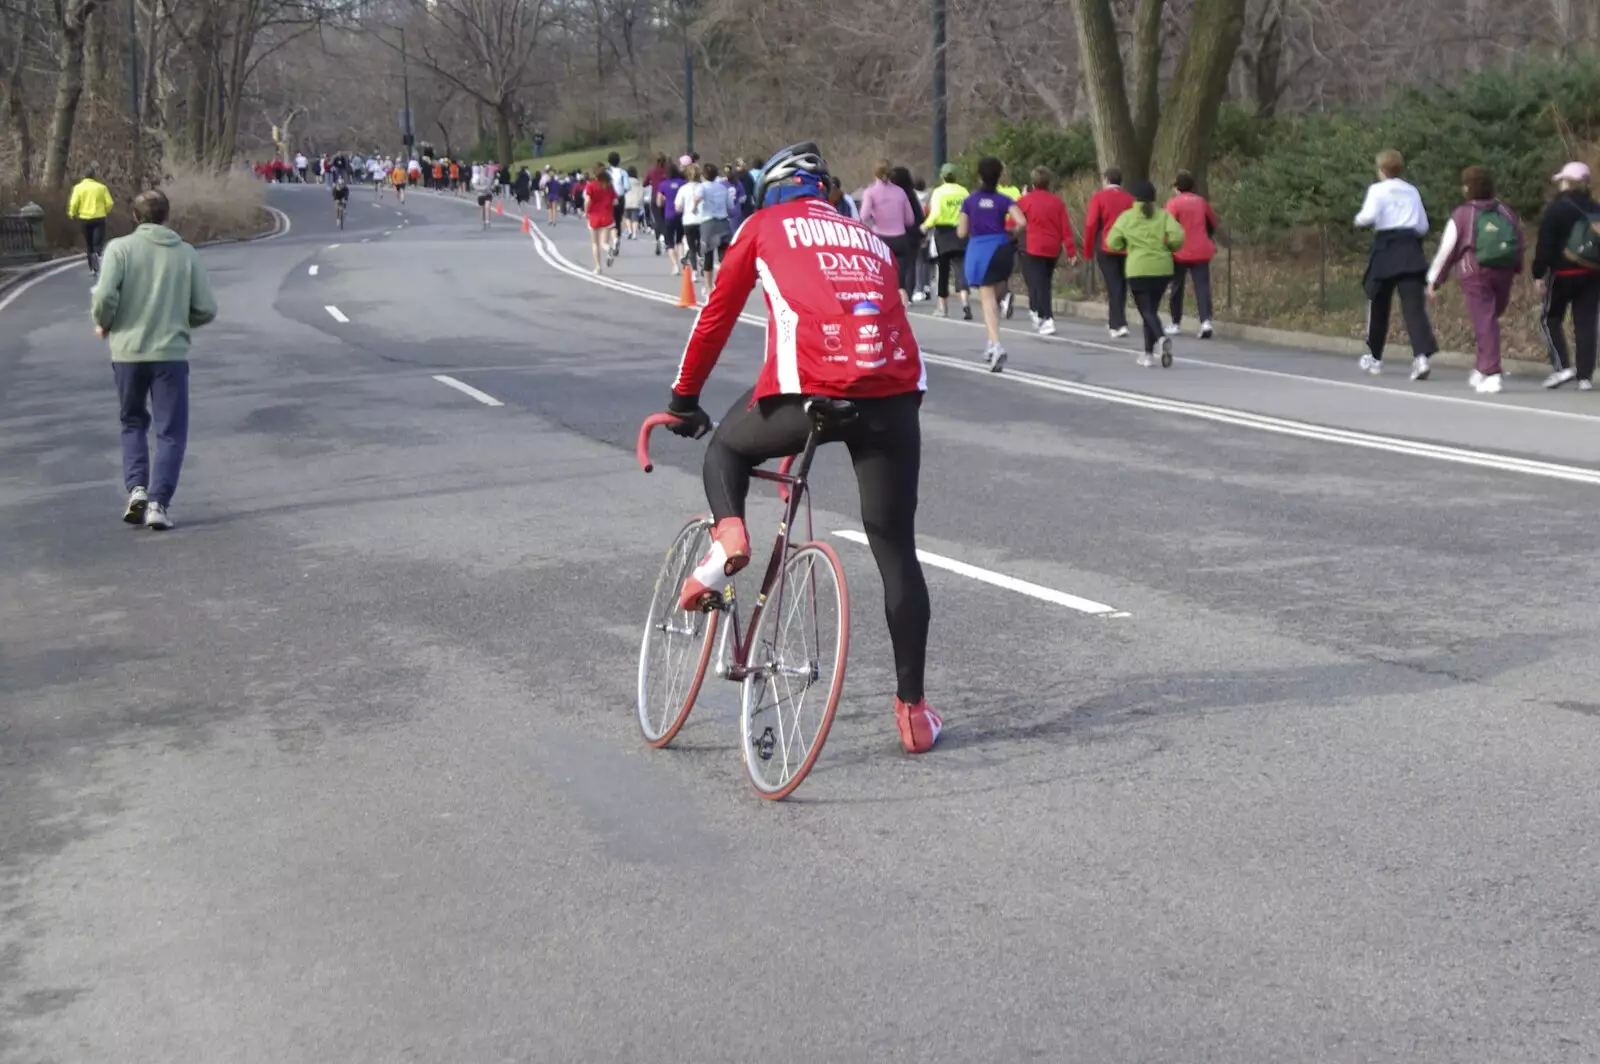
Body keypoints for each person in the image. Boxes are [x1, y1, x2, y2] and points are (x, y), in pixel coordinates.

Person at [659, 141, 941, 755]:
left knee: (726, 454)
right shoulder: (866, 235)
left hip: (807, 388)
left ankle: (729, 539)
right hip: (893, 395)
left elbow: (715, 319)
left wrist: (684, 399)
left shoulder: (762, 227)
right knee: (897, 552)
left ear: (771, 193)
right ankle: (915, 713)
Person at [90, 189, 217, 532]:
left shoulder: (119, 249)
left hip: (127, 353)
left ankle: (137, 490)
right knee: (171, 431)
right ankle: (159, 503)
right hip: (170, 355)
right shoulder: (186, 254)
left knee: (132, 421)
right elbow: (206, 308)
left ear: (135, 217)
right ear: (167, 216)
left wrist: (106, 321)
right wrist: (176, 320)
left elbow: (103, 296)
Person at [1426, 165, 1525, 395]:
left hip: (1475, 272)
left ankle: (1491, 372)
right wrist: (1516, 267)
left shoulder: (1462, 214)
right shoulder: (1506, 212)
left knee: (1484, 320)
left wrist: (1434, 279)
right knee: (1489, 319)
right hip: (1504, 271)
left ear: (1466, 187)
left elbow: (1447, 249)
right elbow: (1519, 241)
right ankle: (1482, 368)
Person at [1354, 149, 1437, 381]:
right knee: (1413, 308)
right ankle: (1421, 358)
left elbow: (1366, 217)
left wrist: (1358, 220)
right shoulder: (1412, 191)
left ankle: (1376, 357)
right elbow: (1422, 225)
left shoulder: (1377, 190)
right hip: (1410, 249)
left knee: (1379, 303)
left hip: (1386, 249)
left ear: (1381, 169)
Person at [1530, 161, 1600, 390]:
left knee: (1549, 318)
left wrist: (1539, 273)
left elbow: (1546, 244)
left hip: (1561, 272)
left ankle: (1562, 366)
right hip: (1591, 273)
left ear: (1568, 182)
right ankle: (1585, 378)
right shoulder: (1595, 209)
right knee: (1586, 324)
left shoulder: (1557, 208)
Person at [1106, 181, 1184, 368]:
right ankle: (1148, 354)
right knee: (1151, 311)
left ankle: (1160, 338)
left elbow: (1112, 241)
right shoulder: (1163, 216)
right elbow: (1178, 236)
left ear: (1135, 198)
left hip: (1138, 267)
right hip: (1162, 268)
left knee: (1146, 311)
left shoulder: (1127, 217)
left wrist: (1125, 246)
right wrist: (1170, 247)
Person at [959, 156, 1026, 371]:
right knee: (994, 299)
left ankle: (996, 346)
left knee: (987, 301)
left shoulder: (970, 201)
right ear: (999, 176)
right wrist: (1012, 232)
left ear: (979, 176)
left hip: (981, 250)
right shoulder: (1004, 199)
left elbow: (961, 231)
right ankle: (990, 341)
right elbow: (1022, 221)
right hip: (1002, 248)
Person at [1016, 167, 1078, 336]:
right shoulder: (1057, 202)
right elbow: (1065, 228)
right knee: (1045, 281)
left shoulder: (1026, 200)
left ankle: (1046, 317)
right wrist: (1071, 251)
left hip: (1034, 246)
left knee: (1038, 282)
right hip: (1053, 247)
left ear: (1033, 182)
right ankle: (1039, 313)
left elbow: (1013, 220)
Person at [1164, 170, 1219, 339]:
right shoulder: (1201, 202)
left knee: (1176, 287)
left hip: (1180, 251)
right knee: (1202, 287)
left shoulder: (1173, 204)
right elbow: (1212, 223)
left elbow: (1167, 227)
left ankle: (1175, 322)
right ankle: (1205, 322)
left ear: (1177, 188)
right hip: (1201, 250)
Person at [1084, 167, 1135, 339]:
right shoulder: (1130, 199)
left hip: (1106, 245)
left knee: (1113, 284)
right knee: (1121, 283)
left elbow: (1091, 224)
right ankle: (1118, 320)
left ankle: (1117, 323)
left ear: (1106, 180)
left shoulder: (1099, 197)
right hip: (1126, 246)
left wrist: (1088, 249)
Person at [860, 160, 918, 304]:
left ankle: (883, 305)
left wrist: (875, 217)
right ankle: (903, 307)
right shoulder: (900, 192)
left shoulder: (870, 193)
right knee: (900, 281)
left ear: (875, 173)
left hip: (880, 239)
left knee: (879, 276)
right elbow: (910, 219)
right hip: (900, 238)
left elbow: (864, 216)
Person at [922, 163, 971, 320]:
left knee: (942, 270)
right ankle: (965, 302)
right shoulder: (963, 192)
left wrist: (925, 225)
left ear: (942, 177)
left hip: (943, 233)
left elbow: (935, 213)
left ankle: (942, 306)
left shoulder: (939, 192)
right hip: (961, 231)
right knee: (960, 268)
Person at [67, 164, 115, 276]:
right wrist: (105, 211)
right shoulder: (101, 188)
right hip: (99, 217)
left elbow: (74, 203)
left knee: (89, 244)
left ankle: (92, 268)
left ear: (83, 176)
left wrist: (72, 213)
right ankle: (97, 256)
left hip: (84, 218)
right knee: (97, 242)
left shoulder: (78, 188)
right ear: (94, 176)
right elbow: (110, 203)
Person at [697, 162, 732, 291]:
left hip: (708, 222)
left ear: (704, 175)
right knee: (724, 256)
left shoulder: (703, 187)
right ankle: (724, 284)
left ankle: (708, 287)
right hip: (723, 222)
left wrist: (695, 207)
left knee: (708, 254)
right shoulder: (723, 188)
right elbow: (730, 206)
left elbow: (698, 197)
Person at [584, 162, 619, 272]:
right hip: (607, 215)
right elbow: (616, 201)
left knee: (595, 243)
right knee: (604, 242)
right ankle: (609, 249)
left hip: (594, 216)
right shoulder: (609, 185)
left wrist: (586, 212)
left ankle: (598, 267)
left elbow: (588, 200)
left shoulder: (591, 185)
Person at [607, 151, 631, 247]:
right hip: (620, 198)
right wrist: (622, 192)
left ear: (609, 162)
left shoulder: (607, 172)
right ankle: (618, 238)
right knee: (618, 219)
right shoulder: (623, 172)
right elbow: (627, 186)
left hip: (609, 198)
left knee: (609, 219)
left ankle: (613, 239)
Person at [624, 167, 644, 238]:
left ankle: (630, 231)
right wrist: (640, 201)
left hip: (626, 201)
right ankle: (634, 234)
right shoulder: (638, 182)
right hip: (636, 202)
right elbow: (642, 192)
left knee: (627, 217)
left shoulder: (625, 181)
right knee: (635, 219)